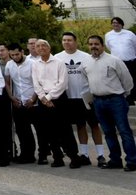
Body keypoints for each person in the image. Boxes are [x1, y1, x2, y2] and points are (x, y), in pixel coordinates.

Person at [83, 35, 136, 171]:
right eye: (91, 44)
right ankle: (115, 160)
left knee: (124, 131)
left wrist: (124, 95)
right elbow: (87, 80)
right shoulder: (86, 62)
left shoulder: (114, 60)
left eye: (96, 44)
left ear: (102, 45)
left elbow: (127, 80)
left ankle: (132, 161)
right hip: (98, 101)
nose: (93, 46)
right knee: (108, 132)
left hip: (116, 100)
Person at [30, 39, 84, 168]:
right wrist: (43, 98)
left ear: (49, 48)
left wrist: (49, 97)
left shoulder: (59, 63)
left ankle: (73, 157)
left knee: (65, 129)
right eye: (38, 46)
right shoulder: (35, 64)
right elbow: (36, 83)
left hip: (59, 99)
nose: (41, 48)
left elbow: (62, 83)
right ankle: (57, 157)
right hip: (43, 100)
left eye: (44, 45)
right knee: (49, 130)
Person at [56, 32, 107, 167]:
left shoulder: (86, 57)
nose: (67, 42)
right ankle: (84, 155)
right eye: (64, 40)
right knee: (80, 125)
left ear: (76, 41)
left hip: (86, 97)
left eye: (69, 40)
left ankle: (101, 155)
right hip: (70, 98)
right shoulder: (57, 58)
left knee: (94, 125)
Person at [5, 42, 38, 164]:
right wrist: (12, 97)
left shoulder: (33, 64)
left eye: (17, 54)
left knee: (39, 130)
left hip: (33, 102)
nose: (15, 57)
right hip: (18, 102)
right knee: (22, 130)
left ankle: (42, 153)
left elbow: (38, 83)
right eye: (12, 55)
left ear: (22, 52)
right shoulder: (9, 65)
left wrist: (33, 99)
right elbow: (7, 83)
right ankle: (26, 154)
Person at [103, 18, 136, 104]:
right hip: (117, 63)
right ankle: (123, 99)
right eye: (113, 23)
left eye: (117, 23)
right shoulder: (108, 35)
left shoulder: (130, 34)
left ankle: (132, 99)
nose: (115, 24)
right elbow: (108, 47)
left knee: (132, 80)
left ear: (121, 24)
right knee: (120, 81)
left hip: (130, 61)